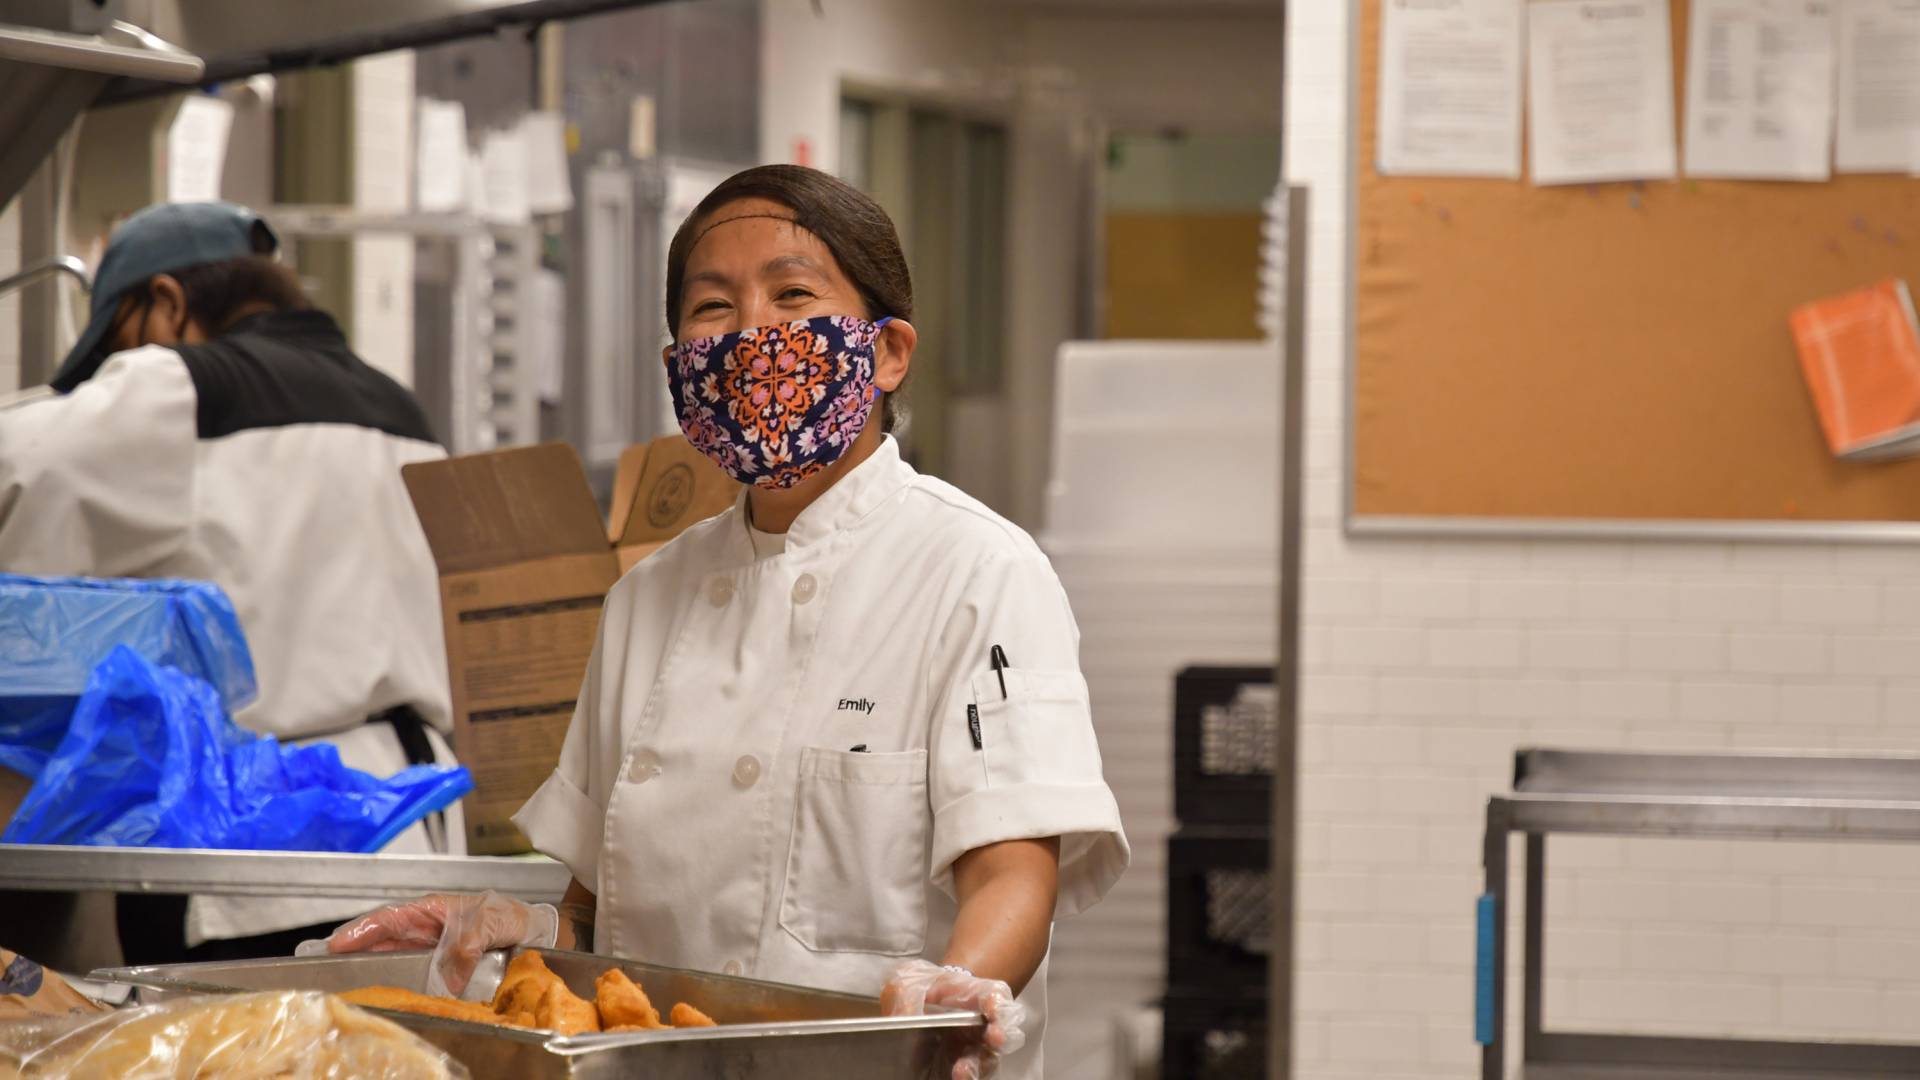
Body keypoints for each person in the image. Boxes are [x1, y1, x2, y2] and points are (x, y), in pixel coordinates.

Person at [323, 165, 1129, 1079]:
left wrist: (956, 991)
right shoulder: (647, 597)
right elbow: (600, 909)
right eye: (713, 308)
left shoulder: (977, 571)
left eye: (793, 296)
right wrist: (518, 929)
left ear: (888, 352)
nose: (752, 335)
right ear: (680, 367)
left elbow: (1014, 871)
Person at [0, 201, 461, 961]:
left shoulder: (182, 386)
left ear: (168, 305)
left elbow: (21, 464)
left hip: (253, 864)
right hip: (412, 842)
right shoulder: (403, 411)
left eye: (112, 345)